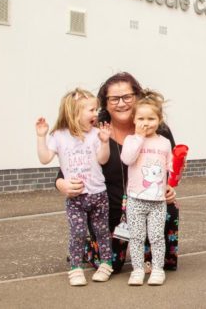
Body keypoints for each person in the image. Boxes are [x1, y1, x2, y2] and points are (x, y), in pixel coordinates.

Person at [55, 72, 179, 274]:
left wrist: (170, 186)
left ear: (138, 97)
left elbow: (170, 167)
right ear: (105, 102)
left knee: (162, 259)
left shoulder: (156, 127)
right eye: (114, 99)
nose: (121, 103)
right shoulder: (93, 129)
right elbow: (65, 170)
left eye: (127, 97)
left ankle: (152, 257)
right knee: (112, 265)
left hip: (149, 201)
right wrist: (63, 185)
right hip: (110, 208)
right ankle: (87, 248)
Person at [36, 88, 113, 286]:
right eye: (91, 110)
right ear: (74, 113)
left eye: (96, 109)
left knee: (102, 231)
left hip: (98, 193)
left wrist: (104, 142)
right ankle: (76, 268)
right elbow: (44, 159)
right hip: (76, 197)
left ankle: (106, 263)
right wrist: (41, 136)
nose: (96, 114)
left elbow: (103, 160)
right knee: (77, 233)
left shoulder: (97, 134)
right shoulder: (59, 136)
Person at [121, 90, 171, 286]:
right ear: (133, 119)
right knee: (136, 237)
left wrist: (175, 176)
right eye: (141, 118)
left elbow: (170, 168)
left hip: (158, 201)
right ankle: (138, 269)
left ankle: (158, 269)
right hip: (135, 198)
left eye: (151, 118)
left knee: (157, 236)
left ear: (159, 119)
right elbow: (127, 159)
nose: (146, 123)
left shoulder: (165, 143)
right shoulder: (131, 140)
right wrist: (139, 138)